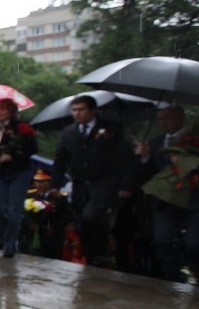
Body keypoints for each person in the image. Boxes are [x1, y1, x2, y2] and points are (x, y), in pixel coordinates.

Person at [50, 94, 137, 268]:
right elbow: (61, 158)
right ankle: (92, 259)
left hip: (103, 181)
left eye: (81, 110)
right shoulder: (69, 131)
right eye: (74, 110)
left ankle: (102, 251)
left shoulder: (111, 129)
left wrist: (127, 184)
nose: (77, 114)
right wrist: (55, 183)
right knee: (81, 222)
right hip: (80, 182)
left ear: (93, 110)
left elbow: (125, 157)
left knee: (92, 216)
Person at [136, 105, 199, 285]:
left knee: (194, 244)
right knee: (162, 240)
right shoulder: (156, 142)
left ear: (180, 119)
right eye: (160, 119)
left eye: (168, 118)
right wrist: (144, 158)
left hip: (197, 199)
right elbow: (151, 173)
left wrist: (188, 163)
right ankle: (173, 278)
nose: (163, 123)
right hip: (167, 200)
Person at [0, 98, 38, 258]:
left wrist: (13, 157)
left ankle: (9, 244)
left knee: (14, 210)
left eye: (2, 109)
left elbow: (32, 148)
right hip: (1, 172)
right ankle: (6, 234)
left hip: (19, 172)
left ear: (11, 111)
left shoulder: (22, 127)